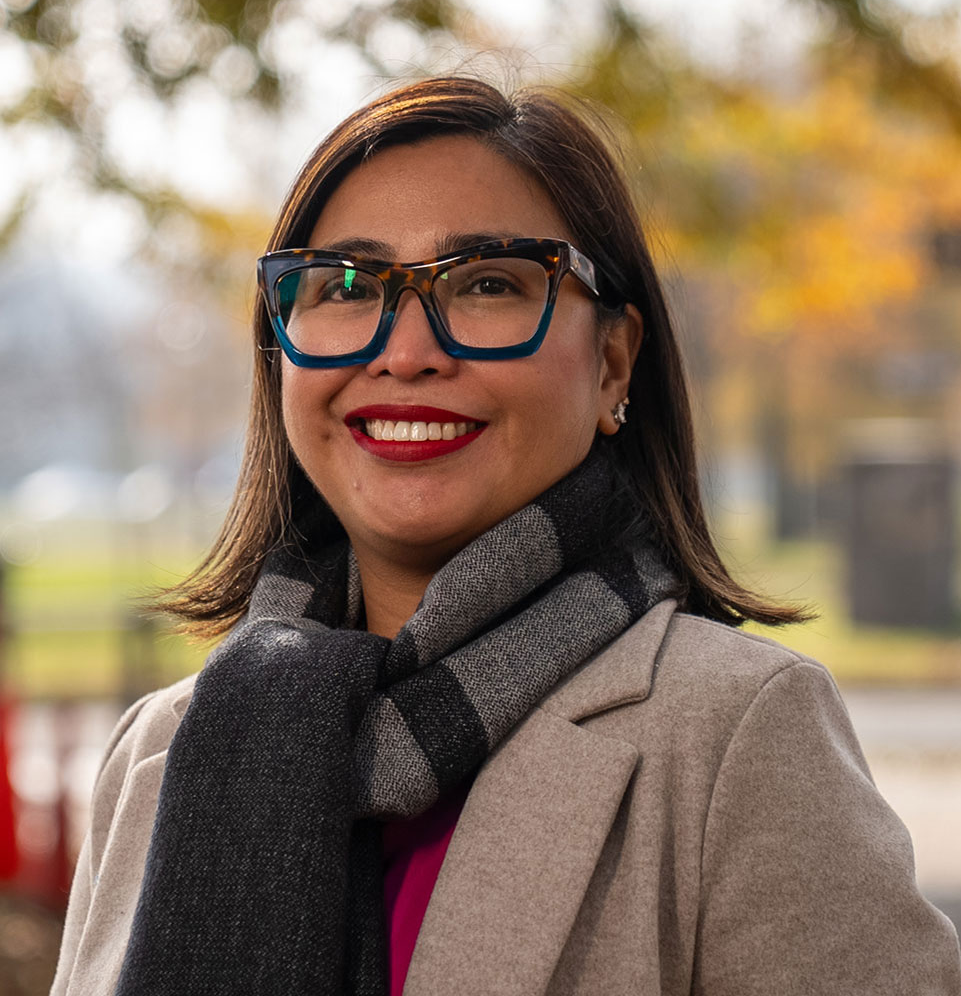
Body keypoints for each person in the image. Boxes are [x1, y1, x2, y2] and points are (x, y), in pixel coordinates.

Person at [51, 76, 960, 996]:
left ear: (612, 362)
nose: (404, 353)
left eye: (488, 283)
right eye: (349, 286)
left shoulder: (737, 736)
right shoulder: (167, 746)